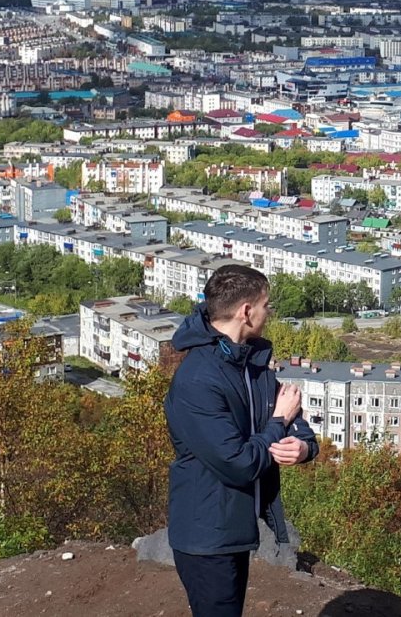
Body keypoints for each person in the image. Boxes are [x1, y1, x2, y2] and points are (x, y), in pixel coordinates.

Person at [164, 264, 318, 617]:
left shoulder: (252, 363)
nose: (269, 314)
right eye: (267, 306)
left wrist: (305, 447)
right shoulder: (198, 380)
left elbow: (295, 420)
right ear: (246, 312)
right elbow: (239, 463)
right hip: (206, 534)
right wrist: (279, 422)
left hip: (234, 526)